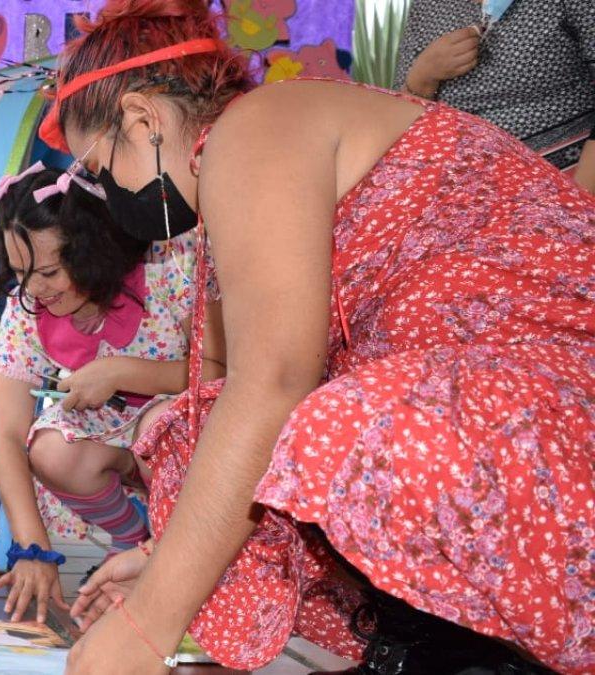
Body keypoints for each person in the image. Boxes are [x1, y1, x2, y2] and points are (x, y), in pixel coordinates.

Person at [41, 1, 595, 673]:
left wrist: (144, 626)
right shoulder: (238, 178)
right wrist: (165, 563)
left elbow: (274, 384)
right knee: (191, 432)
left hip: (563, 403)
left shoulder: (254, 129)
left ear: (142, 118)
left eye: (97, 167)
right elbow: (244, 409)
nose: (104, 194)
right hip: (519, 417)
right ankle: (442, 644)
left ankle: (479, 652)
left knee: (326, 426)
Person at [0, 164, 196, 623]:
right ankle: (133, 539)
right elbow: (6, 433)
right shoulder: (26, 310)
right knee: (50, 449)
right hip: (116, 440)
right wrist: (33, 546)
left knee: (161, 426)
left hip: (184, 436)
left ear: (93, 249)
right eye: (20, 272)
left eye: (48, 271)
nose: (33, 289)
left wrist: (121, 372)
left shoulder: (166, 268)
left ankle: (174, 555)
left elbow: (221, 373)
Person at [394, 0, 595, 174]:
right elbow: (399, 121)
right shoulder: (427, 6)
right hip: (460, 189)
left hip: (565, 179)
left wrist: (581, 195)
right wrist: (424, 75)